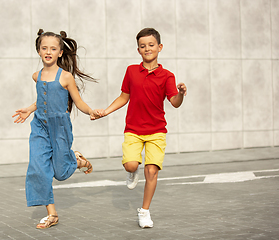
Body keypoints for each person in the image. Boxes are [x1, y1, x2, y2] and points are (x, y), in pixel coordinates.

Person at [94, 28, 187, 228]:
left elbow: (174, 102)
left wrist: (181, 94)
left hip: (157, 131)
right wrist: (105, 111)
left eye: (151, 45)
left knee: (151, 171)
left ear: (159, 47)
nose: (147, 49)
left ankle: (144, 211)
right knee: (131, 165)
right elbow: (123, 97)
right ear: (138, 50)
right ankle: (131, 170)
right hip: (134, 130)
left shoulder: (167, 76)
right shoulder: (131, 71)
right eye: (143, 46)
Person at [12, 29, 98, 229]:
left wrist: (91, 112)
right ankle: (52, 214)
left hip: (59, 127)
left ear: (60, 52)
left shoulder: (66, 77)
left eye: (53, 48)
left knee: (59, 173)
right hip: (39, 126)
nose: (48, 51)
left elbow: (78, 102)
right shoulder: (37, 76)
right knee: (39, 168)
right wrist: (29, 109)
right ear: (38, 51)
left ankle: (76, 160)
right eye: (44, 48)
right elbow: (42, 99)